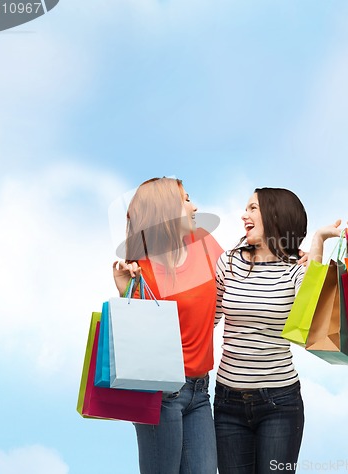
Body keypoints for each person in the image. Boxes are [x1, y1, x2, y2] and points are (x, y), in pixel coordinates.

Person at [214, 187, 348, 474]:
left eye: (252, 208)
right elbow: (207, 319)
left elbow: (310, 314)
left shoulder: (295, 268)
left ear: (274, 215)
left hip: (279, 403)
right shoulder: (228, 261)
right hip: (227, 402)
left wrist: (319, 241)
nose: (244, 215)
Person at [112, 177, 223, 474]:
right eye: (186, 200)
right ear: (166, 211)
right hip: (160, 395)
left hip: (200, 391)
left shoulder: (205, 244)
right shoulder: (142, 270)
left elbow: (235, 279)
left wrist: (288, 258)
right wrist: (125, 289)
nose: (194, 206)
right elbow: (135, 342)